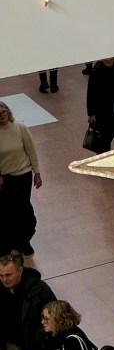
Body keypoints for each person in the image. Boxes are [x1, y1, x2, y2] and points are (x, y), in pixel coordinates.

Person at [0, 101, 42, 255]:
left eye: (4, 112)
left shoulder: (20, 128)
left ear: (8, 112)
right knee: (8, 212)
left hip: (23, 175)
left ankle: (24, 241)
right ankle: (12, 242)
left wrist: (37, 173)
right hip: (5, 178)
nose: (2, 115)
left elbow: (31, 151)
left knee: (24, 210)